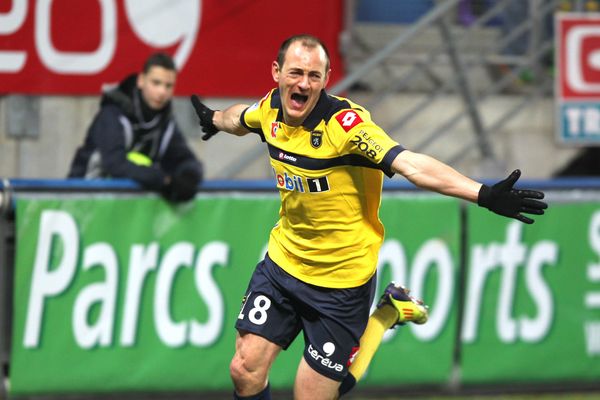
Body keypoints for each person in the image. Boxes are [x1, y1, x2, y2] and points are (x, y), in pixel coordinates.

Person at [191, 34, 547, 400]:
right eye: (296, 73)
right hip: (284, 266)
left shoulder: (346, 128)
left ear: (326, 79)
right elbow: (241, 118)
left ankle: (385, 316)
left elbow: (411, 164)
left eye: (314, 76)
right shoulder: (269, 110)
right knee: (244, 371)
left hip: (342, 283)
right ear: (277, 72)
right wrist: (215, 119)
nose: (303, 83)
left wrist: (483, 193)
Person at [68, 52, 203, 202]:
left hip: (126, 208)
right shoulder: (112, 114)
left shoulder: (165, 124)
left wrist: (188, 178)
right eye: (156, 83)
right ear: (141, 81)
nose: (162, 92)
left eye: (168, 86)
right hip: (84, 199)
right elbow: (115, 164)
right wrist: (163, 180)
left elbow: (188, 161)